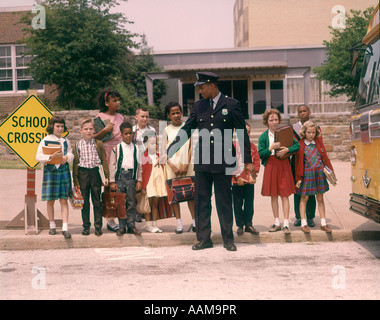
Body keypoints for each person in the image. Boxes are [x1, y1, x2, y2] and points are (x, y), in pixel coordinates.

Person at [167, 71, 254, 251]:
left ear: (212, 85)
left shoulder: (231, 104)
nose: (200, 91)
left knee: (224, 201)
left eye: (202, 87)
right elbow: (188, 127)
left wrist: (247, 160)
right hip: (203, 161)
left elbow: (241, 132)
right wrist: (172, 148)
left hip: (223, 160)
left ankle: (228, 239)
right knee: (202, 202)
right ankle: (204, 239)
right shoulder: (199, 106)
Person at [258, 109, 300, 234]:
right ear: (267, 122)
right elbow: (261, 154)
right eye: (271, 120)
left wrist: (287, 149)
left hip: (283, 164)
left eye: (276, 120)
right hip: (271, 165)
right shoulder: (264, 136)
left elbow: (297, 146)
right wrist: (271, 148)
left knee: (285, 194)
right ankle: (277, 222)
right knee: (274, 195)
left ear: (279, 120)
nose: (274, 122)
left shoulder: (285, 133)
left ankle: (286, 223)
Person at [36, 116, 74, 239]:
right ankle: (52, 225)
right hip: (51, 170)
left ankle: (65, 227)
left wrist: (66, 158)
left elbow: (71, 153)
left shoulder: (65, 140)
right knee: (50, 199)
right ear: (52, 126)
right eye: (57, 126)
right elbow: (38, 156)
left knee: (64, 200)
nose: (60, 128)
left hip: (63, 170)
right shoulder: (45, 140)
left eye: (62, 126)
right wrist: (50, 157)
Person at [93, 89, 124, 232]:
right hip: (105, 154)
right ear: (106, 103)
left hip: (119, 154)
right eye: (114, 100)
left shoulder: (121, 117)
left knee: (118, 185)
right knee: (107, 186)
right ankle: (110, 220)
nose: (117, 103)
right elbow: (93, 137)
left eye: (118, 100)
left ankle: (121, 215)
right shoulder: (100, 117)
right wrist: (105, 130)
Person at [162, 102, 195, 234]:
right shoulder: (166, 130)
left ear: (181, 113)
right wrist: (172, 166)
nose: (176, 115)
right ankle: (179, 223)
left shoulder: (188, 127)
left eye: (178, 112)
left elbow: (191, 146)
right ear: (169, 115)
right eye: (173, 113)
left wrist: (186, 163)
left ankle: (194, 222)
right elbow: (164, 151)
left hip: (187, 166)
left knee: (191, 194)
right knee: (175, 196)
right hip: (172, 168)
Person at [295, 121, 333, 233]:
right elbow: (298, 163)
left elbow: (325, 156)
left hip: (319, 173)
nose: (311, 135)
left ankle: (323, 223)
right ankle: (303, 223)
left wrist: (331, 171)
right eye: (309, 132)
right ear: (304, 132)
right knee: (304, 198)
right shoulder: (301, 144)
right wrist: (299, 178)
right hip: (306, 174)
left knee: (320, 198)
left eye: (313, 132)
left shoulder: (318, 143)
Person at [72, 119, 109, 236]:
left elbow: (103, 160)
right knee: (84, 202)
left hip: (95, 173)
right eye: (86, 129)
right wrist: (76, 180)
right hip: (83, 174)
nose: (88, 131)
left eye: (90, 129)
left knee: (97, 201)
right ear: (81, 131)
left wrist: (106, 176)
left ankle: (98, 226)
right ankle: (86, 226)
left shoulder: (98, 143)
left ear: (94, 130)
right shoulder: (77, 145)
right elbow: (75, 164)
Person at [109, 121, 142, 236]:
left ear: (133, 134)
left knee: (131, 202)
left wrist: (139, 180)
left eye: (130, 133)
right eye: (126, 134)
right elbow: (112, 165)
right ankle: (122, 226)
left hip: (131, 177)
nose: (128, 136)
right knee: (120, 202)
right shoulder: (117, 148)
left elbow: (139, 165)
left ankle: (131, 225)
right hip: (120, 177)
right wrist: (112, 181)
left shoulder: (137, 149)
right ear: (121, 135)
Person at [292, 104, 322, 227]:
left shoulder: (315, 127)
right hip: (298, 160)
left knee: (311, 190)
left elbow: (320, 144)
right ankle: (299, 217)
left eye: (305, 111)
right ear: (298, 114)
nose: (303, 113)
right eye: (300, 112)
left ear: (309, 112)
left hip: (312, 162)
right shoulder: (293, 128)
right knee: (298, 189)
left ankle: (310, 217)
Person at [232, 122, 261, 235]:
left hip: (249, 180)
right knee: (237, 203)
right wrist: (235, 176)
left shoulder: (253, 147)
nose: (246, 134)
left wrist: (254, 174)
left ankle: (249, 224)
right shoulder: (233, 146)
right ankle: (240, 225)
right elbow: (230, 162)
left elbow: (257, 162)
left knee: (249, 203)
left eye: (248, 132)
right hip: (237, 181)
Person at [133, 106, 156, 223]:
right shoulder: (132, 130)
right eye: (142, 116)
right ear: (136, 117)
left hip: (148, 162)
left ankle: (145, 210)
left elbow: (153, 147)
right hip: (135, 162)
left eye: (146, 116)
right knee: (136, 188)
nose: (144, 118)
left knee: (146, 188)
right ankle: (136, 212)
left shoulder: (152, 130)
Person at [141, 131, 167, 233]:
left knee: (155, 205)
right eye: (152, 143)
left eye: (156, 143)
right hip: (149, 183)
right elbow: (142, 173)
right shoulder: (144, 157)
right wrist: (143, 187)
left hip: (157, 183)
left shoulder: (159, 156)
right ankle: (148, 225)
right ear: (146, 145)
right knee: (148, 205)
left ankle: (155, 224)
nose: (155, 145)